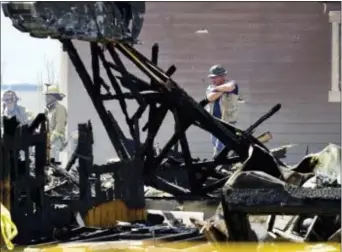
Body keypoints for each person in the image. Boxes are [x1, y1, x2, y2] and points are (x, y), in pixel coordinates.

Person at [205, 64, 239, 156]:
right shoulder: (210, 88)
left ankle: (218, 166)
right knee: (216, 147)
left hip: (227, 124)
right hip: (214, 123)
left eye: (215, 77)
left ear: (222, 76)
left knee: (219, 150)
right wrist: (222, 89)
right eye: (212, 77)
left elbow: (230, 87)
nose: (213, 80)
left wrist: (220, 89)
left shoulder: (233, 84)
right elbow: (211, 97)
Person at [44, 85, 68, 163]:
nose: (46, 98)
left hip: (57, 140)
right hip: (48, 139)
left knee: (53, 151)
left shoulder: (60, 108)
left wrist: (50, 140)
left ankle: (55, 170)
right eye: (46, 96)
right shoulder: (48, 110)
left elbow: (60, 127)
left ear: (54, 97)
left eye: (48, 96)